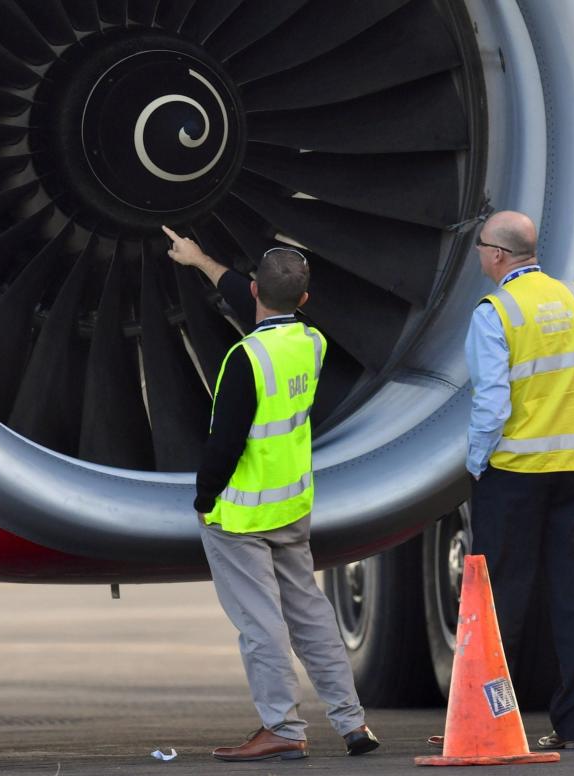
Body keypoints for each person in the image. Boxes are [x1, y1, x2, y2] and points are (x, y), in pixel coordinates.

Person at [162, 225, 379, 763]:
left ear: (256, 289)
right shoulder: (311, 342)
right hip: (292, 508)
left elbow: (225, 442)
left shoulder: (245, 360)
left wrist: (204, 498)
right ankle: (352, 723)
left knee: (260, 625)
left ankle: (282, 726)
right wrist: (200, 261)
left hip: (240, 515)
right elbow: (257, 297)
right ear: (304, 300)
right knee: (311, 617)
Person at [439, 211, 574, 750]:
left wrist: (474, 462)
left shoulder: (496, 313)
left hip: (514, 472)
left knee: (500, 604)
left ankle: (492, 723)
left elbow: (492, 402)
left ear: (496, 254)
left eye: (479, 248)